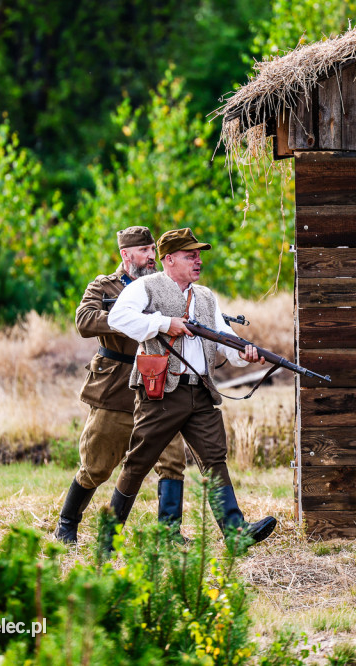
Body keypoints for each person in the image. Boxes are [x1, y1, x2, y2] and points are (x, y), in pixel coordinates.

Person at [104, 227, 277, 551]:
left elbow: (223, 340)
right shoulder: (147, 287)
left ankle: (235, 533)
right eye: (190, 255)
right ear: (169, 260)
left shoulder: (206, 297)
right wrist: (162, 323)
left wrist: (244, 354)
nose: (198, 261)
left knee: (215, 459)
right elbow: (118, 318)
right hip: (162, 393)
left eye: (198, 255)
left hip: (200, 391)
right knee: (138, 463)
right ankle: (107, 537)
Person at [54, 226, 189, 545]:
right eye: (144, 251)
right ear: (126, 254)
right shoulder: (105, 286)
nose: (151, 256)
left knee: (172, 460)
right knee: (95, 466)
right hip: (115, 388)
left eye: (153, 250)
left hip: (157, 386)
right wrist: (127, 317)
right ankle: (67, 524)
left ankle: (169, 534)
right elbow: (84, 321)